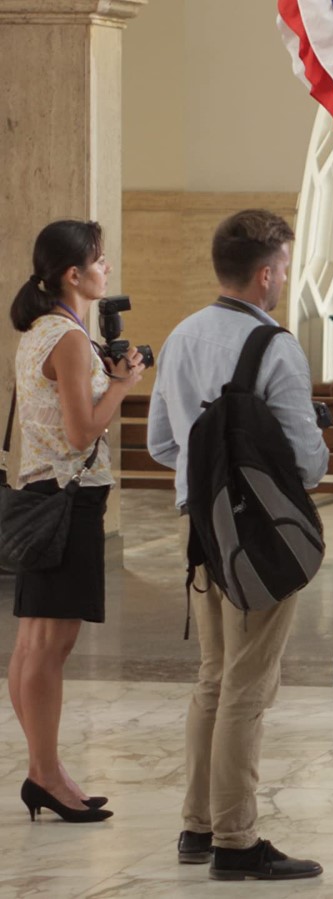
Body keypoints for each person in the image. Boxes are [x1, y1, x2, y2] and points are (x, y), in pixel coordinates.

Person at [147, 209, 328, 879]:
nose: (283, 276)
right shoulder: (275, 347)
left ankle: (196, 825)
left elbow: (161, 444)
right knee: (249, 686)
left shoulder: (182, 335)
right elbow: (308, 465)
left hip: (202, 530)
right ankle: (235, 837)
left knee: (214, 678)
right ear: (265, 273)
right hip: (260, 537)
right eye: (282, 266)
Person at [7, 220, 144, 825]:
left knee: (33, 645)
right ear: (73, 274)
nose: (106, 269)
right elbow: (80, 431)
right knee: (49, 647)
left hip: (45, 493)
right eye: (99, 260)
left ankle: (48, 772)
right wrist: (122, 385)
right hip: (68, 499)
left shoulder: (42, 331)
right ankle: (45, 774)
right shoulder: (64, 337)